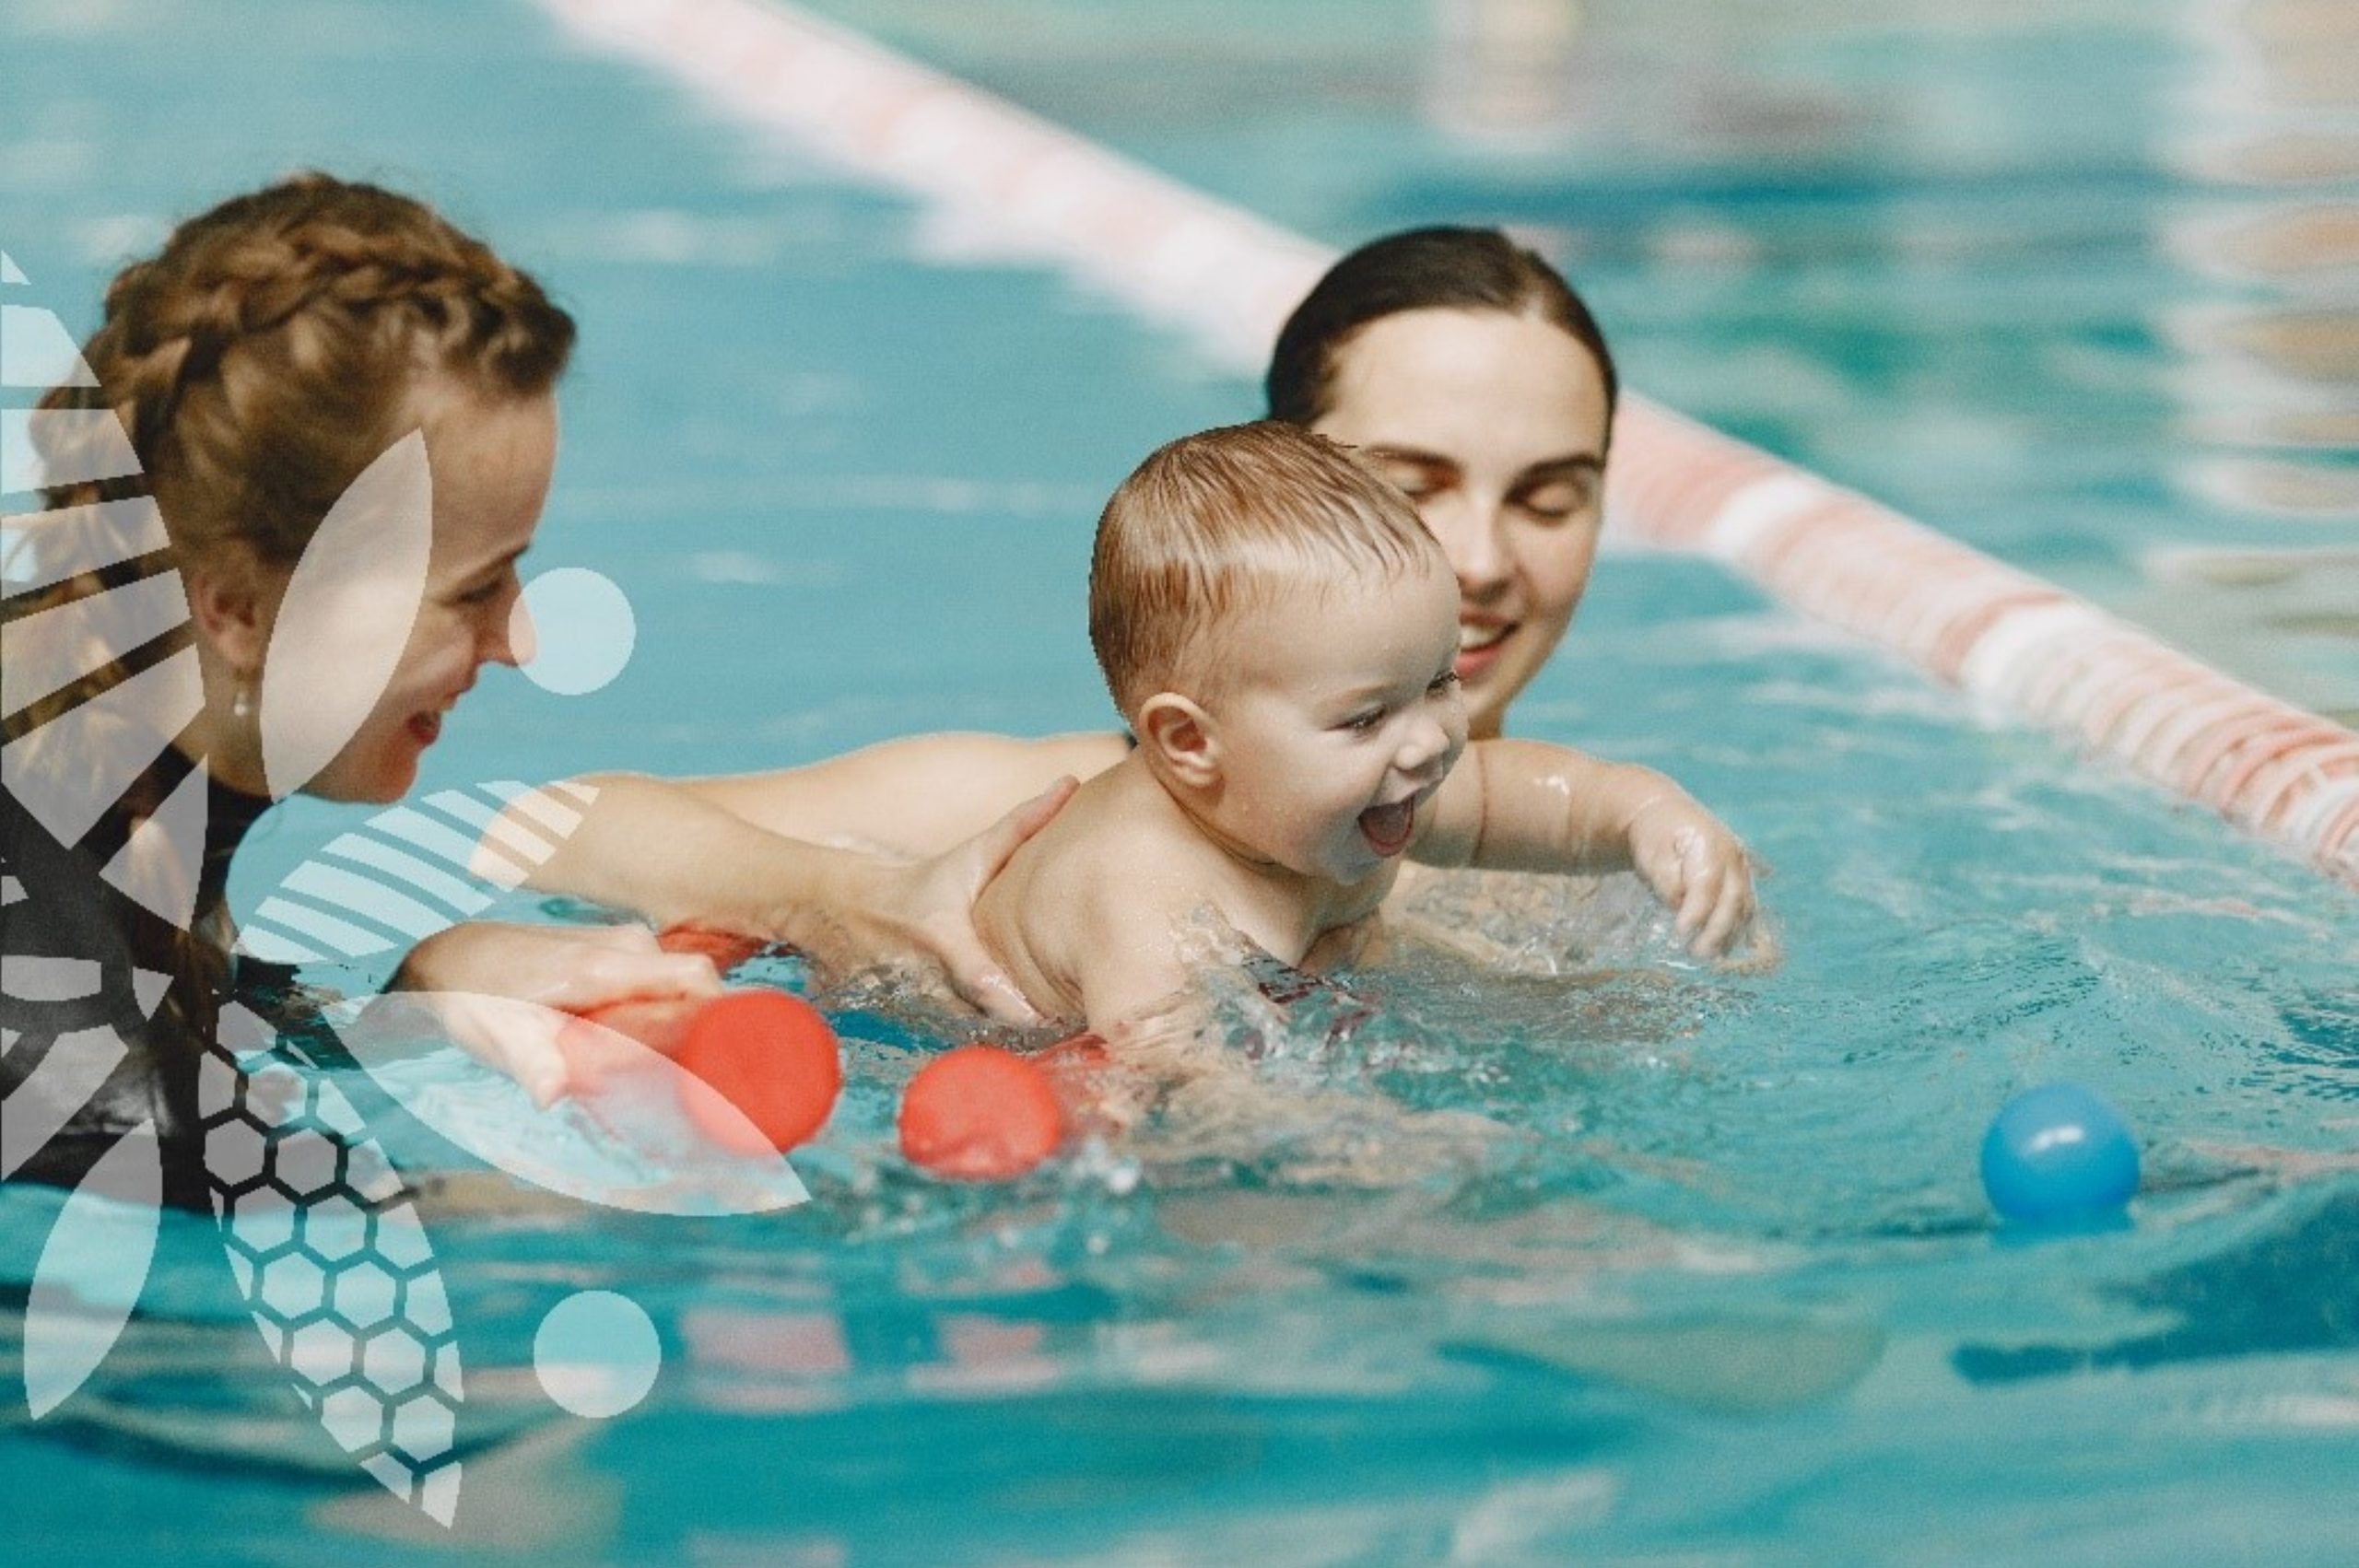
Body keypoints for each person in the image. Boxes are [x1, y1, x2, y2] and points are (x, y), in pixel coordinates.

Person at [0, 173, 1063, 1203]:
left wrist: (429, 990)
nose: (521, 638)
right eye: (472, 592)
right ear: (234, 606)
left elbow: (203, 1020)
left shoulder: (88, 768)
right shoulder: (88, 1055)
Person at [506, 226, 1751, 983]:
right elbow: (550, 826)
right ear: (1286, 486)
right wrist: (856, 901)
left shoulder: (1603, 874)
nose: (1480, 559)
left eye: (1548, 497)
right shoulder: (1073, 812)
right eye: (1407, 486)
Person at [971, 422, 1751, 1031]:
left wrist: (1645, 816)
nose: (1431, 741)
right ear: (1190, 742)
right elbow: (1190, 1098)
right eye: (1366, 716)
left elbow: (1537, 802)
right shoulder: (1144, 896)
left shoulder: (1360, 791)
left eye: (1439, 680)